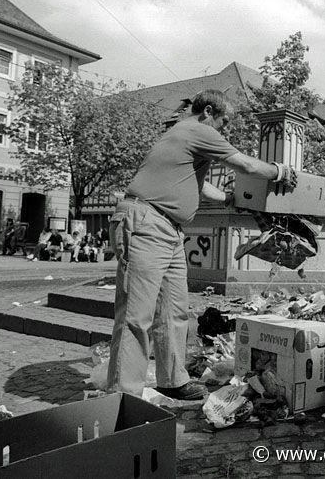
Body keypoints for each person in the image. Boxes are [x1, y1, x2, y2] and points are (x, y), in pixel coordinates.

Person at [107, 89, 297, 401]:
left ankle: (173, 380)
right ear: (208, 111)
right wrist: (281, 171)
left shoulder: (182, 136)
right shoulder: (198, 130)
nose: (222, 129)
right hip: (146, 222)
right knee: (136, 315)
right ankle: (123, 396)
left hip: (167, 228)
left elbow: (199, 185)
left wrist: (231, 200)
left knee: (174, 309)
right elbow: (246, 166)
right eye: (222, 121)